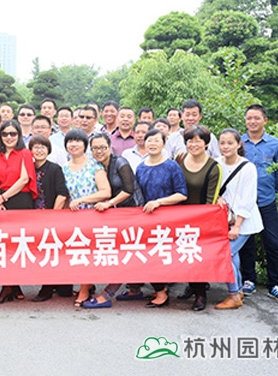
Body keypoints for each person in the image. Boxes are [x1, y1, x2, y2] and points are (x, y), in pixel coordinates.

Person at [83, 133, 145, 309]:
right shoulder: (97, 166)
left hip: (133, 212)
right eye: (95, 148)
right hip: (118, 214)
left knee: (124, 253)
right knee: (130, 252)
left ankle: (107, 294)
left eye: (103, 147)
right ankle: (135, 289)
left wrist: (109, 203)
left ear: (110, 147)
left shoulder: (120, 162)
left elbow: (129, 189)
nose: (99, 151)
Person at [240, 104, 278, 302]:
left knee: (273, 242)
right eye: (249, 118)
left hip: (266, 200)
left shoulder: (276, 145)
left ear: (265, 120)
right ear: (245, 121)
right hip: (244, 203)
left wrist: (272, 189)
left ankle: (276, 284)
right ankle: (248, 280)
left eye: (256, 118)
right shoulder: (239, 143)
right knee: (246, 242)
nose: (252, 121)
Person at [133, 129, 187, 308]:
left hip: (168, 219)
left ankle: (162, 292)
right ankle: (159, 290)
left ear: (164, 144)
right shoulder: (141, 167)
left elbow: (182, 194)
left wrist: (159, 202)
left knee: (162, 256)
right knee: (149, 255)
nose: (153, 144)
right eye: (149, 140)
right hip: (147, 219)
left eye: (157, 140)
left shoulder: (172, 166)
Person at [215, 128, 263, 309]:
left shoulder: (248, 167)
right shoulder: (217, 163)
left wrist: (237, 226)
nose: (225, 146)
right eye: (222, 143)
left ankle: (234, 295)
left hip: (244, 222)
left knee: (225, 254)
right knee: (232, 256)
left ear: (239, 144)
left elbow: (248, 199)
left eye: (230, 143)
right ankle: (239, 290)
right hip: (224, 219)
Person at [62, 129, 111, 306]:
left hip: (93, 214)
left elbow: (106, 192)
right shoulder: (64, 168)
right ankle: (87, 284)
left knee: (87, 253)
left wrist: (82, 200)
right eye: (70, 141)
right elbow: (65, 195)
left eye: (78, 141)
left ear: (85, 145)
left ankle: (84, 288)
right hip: (73, 217)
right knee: (78, 252)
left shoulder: (94, 166)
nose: (73, 145)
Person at [0, 120, 39, 305]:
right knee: (4, 244)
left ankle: (8, 286)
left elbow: (24, 179)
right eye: (5, 134)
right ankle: (12, 286)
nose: (9, 137)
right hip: (1, 201)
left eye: (13, 133)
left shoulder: (25, 153)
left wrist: (4, 197)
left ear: (19, 135)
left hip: (20, 200)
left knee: (17, 244)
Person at [176, 125, 222, 311]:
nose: (193, 144)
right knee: (184, 254)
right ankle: (191, 286)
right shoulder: (179, 159)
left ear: (206, 143)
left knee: (198, 255)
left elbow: (211, 199)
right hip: (178, 216)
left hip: (200, 219)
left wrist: (204, 221)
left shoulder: (214, 167)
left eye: (198, 141)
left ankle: (201, 293)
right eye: (190, 141)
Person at [29, 135, 71, 302]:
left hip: (52, 216)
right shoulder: (28, 169)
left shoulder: (54, 168)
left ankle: (55, 286)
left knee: (52, 251)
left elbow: (62, 193)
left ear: (48, 150)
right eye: (36, 147)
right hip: (33, 218)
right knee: (41, 253)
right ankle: (47, 286)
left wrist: (53, 216)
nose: (39, 150)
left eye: (43, 147)